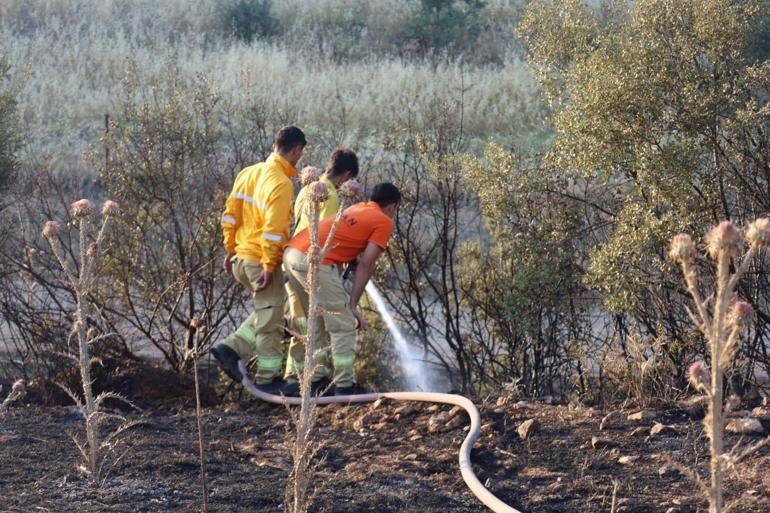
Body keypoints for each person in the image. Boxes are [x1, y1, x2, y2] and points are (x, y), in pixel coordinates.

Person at [282, 182, 400, 396]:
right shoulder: (384, 221)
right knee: (343, 323)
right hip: (313, 261)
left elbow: (344, 240)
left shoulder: (356, 208)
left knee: (315, 320)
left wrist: (350, 257)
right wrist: (353, 304)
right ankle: (344, 386)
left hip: (292, 254)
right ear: (392, 206)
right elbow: (367, 263)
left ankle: (315, 381)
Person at [212, 126, 306, 393]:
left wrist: (230, 250)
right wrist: (268, 265)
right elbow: (274, 231)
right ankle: (267, 379)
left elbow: (230, 215)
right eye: (300, 153)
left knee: (267, 311)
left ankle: (232, 348)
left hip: (241, 257)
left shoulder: (248, 173)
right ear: (296, 150)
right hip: (259, 261)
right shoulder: (281, 183)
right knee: (271, 322)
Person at [284, 148, 360, 390]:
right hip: (313, 264)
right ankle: (342, 384)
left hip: (291, 259)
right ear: (347, 174)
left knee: (305, 323)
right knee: (339, 320)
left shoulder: (307, 189)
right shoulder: (329, 195)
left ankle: (298, 380)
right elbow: (326, 237)